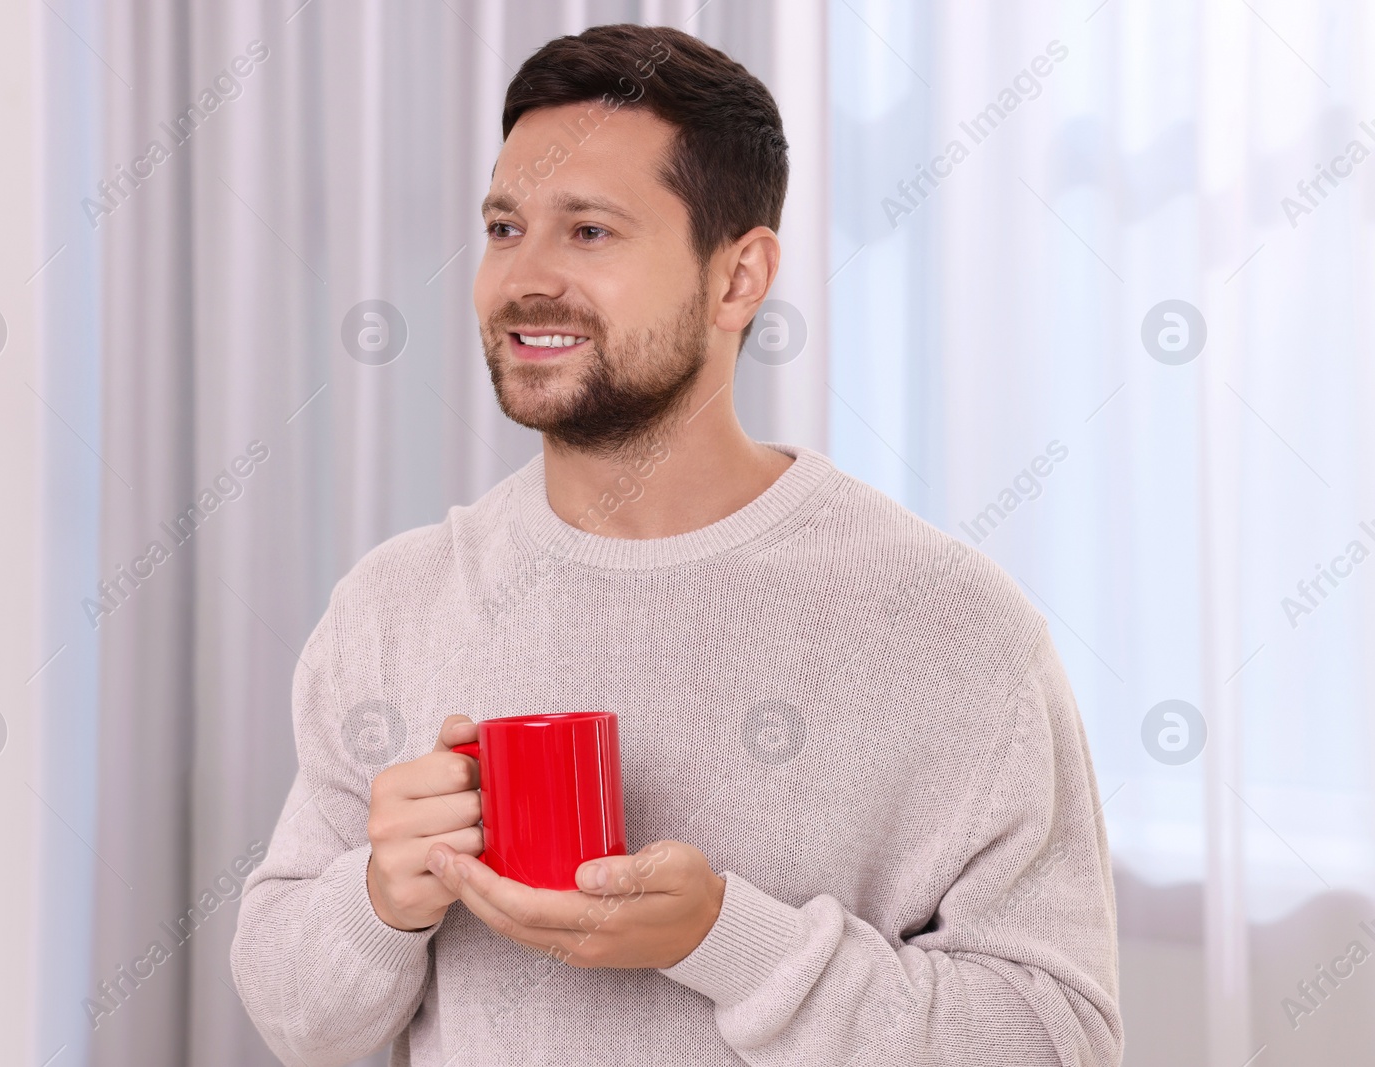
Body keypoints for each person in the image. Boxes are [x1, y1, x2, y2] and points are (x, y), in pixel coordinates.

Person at [232, 23, 1121, 1067]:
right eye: (505, 226)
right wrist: (380, 899)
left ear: (739, 278)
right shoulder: (395, 602)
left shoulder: (948, 619)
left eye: (591, 231)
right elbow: (293, 1016)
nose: (525, 278)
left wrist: (729, 941)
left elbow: (1057, 1039)